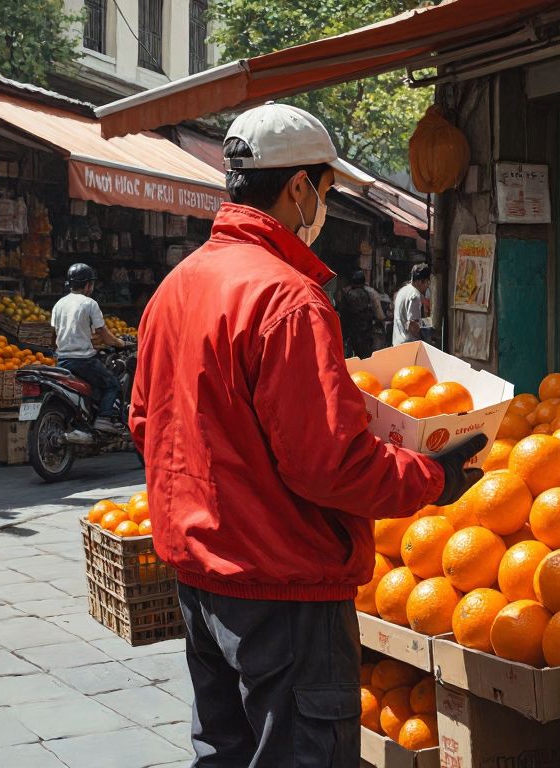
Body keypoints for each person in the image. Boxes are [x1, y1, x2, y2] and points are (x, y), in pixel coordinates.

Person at [129, 103, 484, 768]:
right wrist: (432, 477)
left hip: (202, 579)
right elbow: (329, 464)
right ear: (298, 188)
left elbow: (148, 423)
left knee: (223, 753)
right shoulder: (288, 298)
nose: (324, 204)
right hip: (283, 590)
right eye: (325, 187)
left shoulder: (174, 289)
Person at [50, 262, 128, 433]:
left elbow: (55, 335)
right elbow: (104, 333)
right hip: (83, 361)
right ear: (87, 285)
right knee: (112, 384)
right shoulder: (89, 303)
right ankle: (105, 418)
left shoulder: (59, 305)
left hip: (62, 361)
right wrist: (120, 343)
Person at [338, 269, 383, 358]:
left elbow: (342, 312)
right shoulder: (371, 293)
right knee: (365, 358)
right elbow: (379, 315)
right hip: (365, 333)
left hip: (349, 333)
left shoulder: (345, 293)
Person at [392, 263, 429, 346]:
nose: (427, 286)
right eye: (427, 282)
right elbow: (412, 324)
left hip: (397, 342)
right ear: (420, 281)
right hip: (408, 345)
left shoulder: (402, 291)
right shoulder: (415, 295)